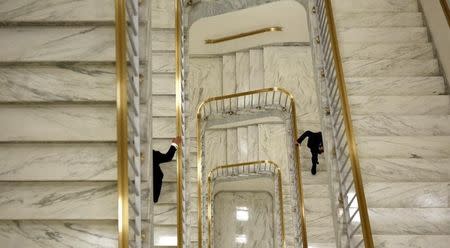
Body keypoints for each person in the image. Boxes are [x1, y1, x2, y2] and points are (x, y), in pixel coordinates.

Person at [153, 136, 181, 203]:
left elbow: (167, 157)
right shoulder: (151, 154)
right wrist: (175, 144)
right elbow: (168, 157)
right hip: (152, 193)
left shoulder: (151, 154)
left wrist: (174, 144)